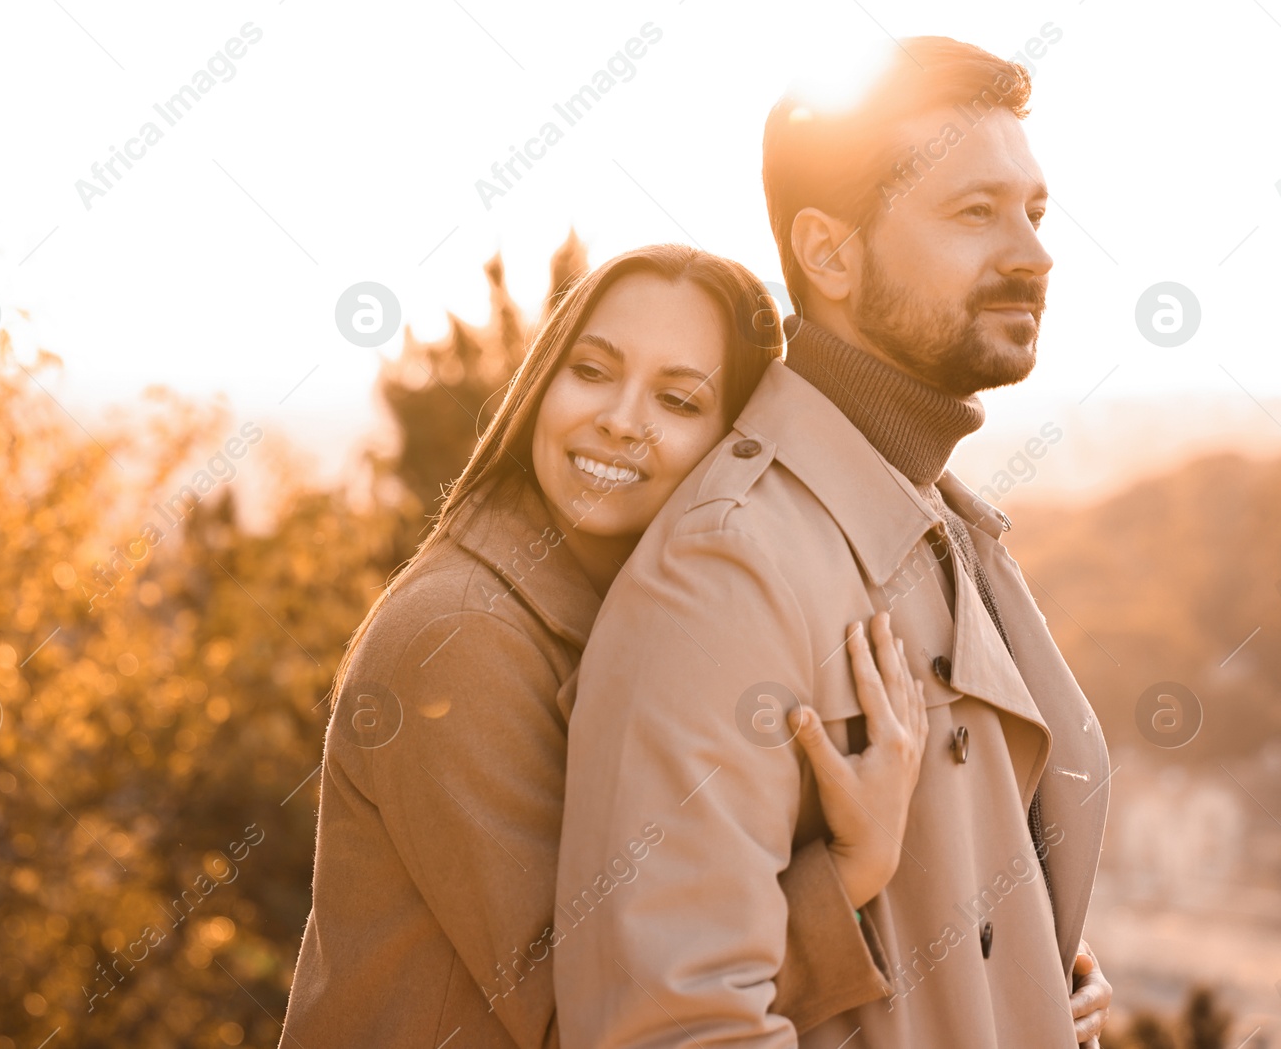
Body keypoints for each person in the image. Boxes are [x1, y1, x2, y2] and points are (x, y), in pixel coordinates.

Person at [554, 38, 1114, 1047]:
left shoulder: (944, 522)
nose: (1033, 253)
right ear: (828, 253)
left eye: (1033, 210)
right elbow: (678, 1024)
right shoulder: (727, 567)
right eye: (973, 211)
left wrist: (1024, 976)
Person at [276, 244, 932, 1047]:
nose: (621, 419)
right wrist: (851, 873)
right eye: (591, 371)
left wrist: (1051, 971)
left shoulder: (681, 624)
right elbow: (595, 1017)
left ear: (737, 445)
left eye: (678, 400)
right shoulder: (458, 643)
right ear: (542, 382)